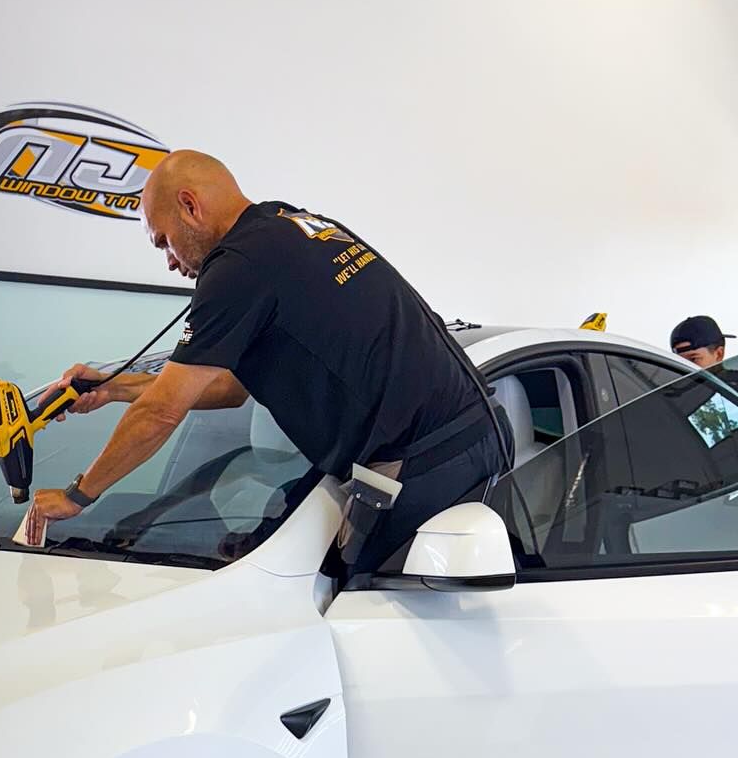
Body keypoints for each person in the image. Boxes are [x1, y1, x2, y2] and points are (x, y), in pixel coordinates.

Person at [30, 150, 506, 573]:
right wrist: (113, 387)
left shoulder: (239, 266)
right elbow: (230, 388)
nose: (170, 262)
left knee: (362, 601)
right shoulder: (285, 226)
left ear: (190, 207)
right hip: (466, 435)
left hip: (427, 462)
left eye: (162, 241)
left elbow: (161, 412)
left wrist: (78, 496)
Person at [670, 314, 738, 423]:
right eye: (680, 361)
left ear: (718, 354)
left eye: (693, 359)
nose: (685, 367)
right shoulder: (675, 394)